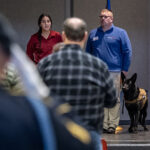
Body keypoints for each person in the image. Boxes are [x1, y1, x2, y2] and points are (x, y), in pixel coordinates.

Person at [0, 14, 96, 150]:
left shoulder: (56, 36)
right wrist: (43, 100)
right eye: (43, 21)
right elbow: (85, 143)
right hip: (41, 72)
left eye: (48, 21)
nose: (46, 24)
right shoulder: (27, 113)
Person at [38, 17, 117, 150]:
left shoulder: (45, 64)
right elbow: (112, 101)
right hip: (89, 139)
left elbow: (35, 99)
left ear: (63, 35)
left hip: (57, 138)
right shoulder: (99, 66)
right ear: (85, 36)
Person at [86, 9, 132, 134]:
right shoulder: (93, 33)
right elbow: (87, 53)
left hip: (115, 71)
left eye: (106, 17)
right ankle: (102, 124)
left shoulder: (121, 33)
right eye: (101, 16)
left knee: (114, 98)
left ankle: (112, 125)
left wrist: (125, 69)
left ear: (111, 19)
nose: (103, 19)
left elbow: (127, 52)